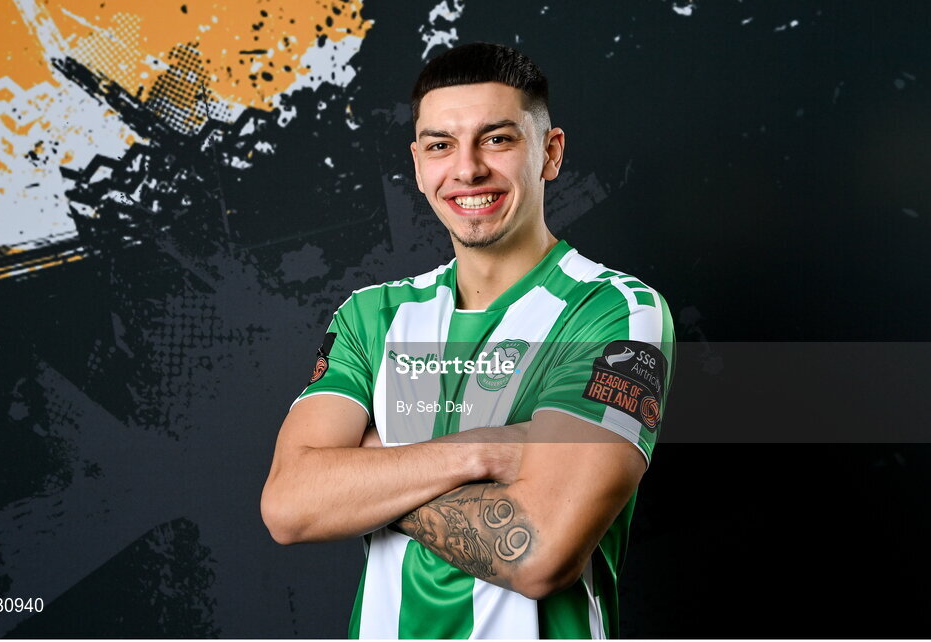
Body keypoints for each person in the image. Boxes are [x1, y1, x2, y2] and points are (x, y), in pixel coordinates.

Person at [261, 42, 675, 639]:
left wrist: (370, 467)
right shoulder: (370, 316)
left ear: (550, 152)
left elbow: (540, 552)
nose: (467, 169)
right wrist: (482, 451)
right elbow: (289, 505)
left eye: (497, 139)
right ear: (417, 163)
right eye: (440, 145)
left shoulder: (615, 313)